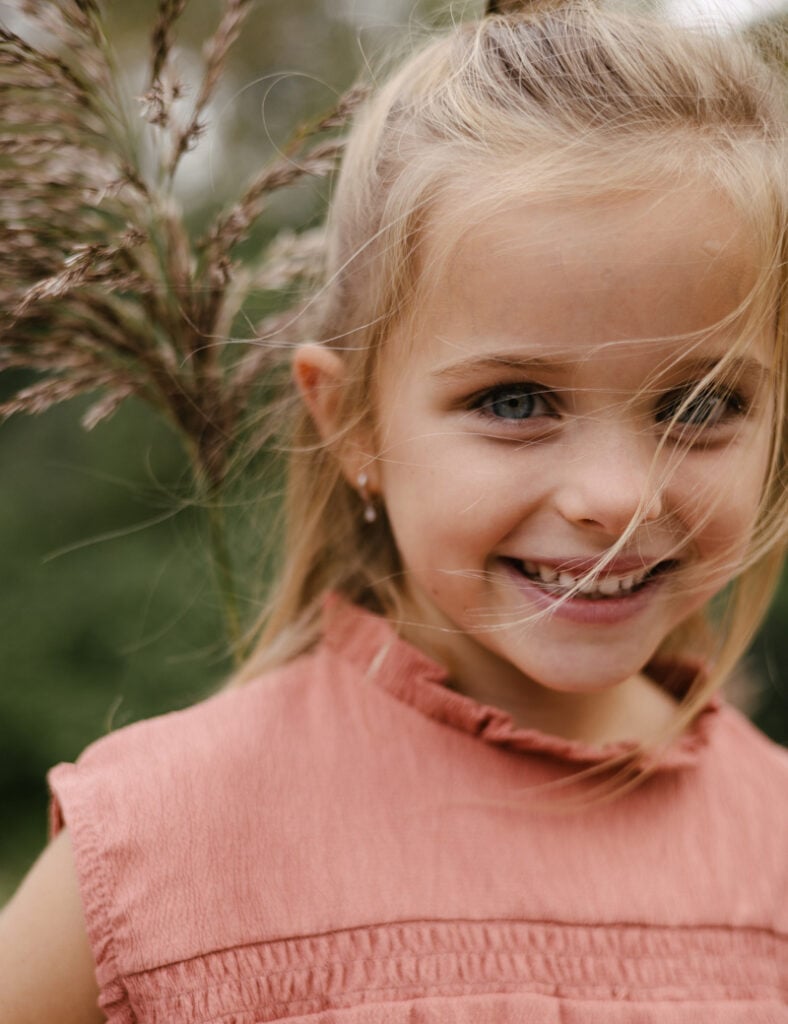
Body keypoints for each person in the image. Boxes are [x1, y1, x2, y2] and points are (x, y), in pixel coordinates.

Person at [1, 0, 787, 1019]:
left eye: (698, 406)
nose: (613, 498)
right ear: (352, 424)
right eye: (513, 402)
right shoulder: (160, 844)